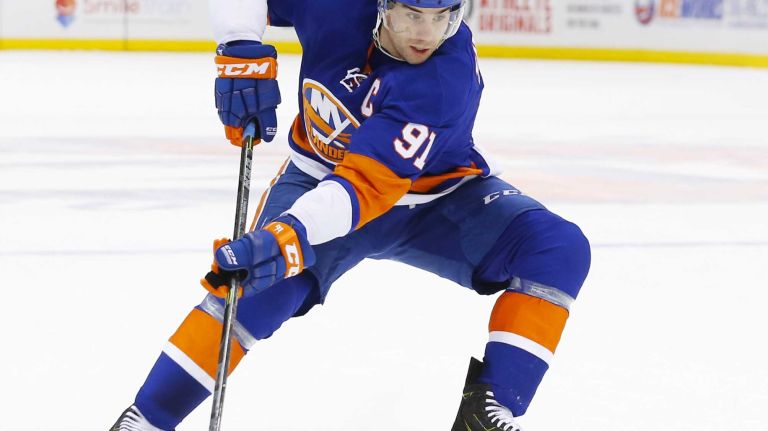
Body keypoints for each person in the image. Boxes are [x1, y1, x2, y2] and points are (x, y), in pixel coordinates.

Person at [110, 0, 591, 429]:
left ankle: (487, 415)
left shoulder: (446, 76)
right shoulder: (335, 5)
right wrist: (238, 45)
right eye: (412, 15)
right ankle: (146, 420)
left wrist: (289, 235)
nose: (427, 33)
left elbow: (363, 189)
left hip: (434, 201)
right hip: (317, 178)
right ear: (381, 6)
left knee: (555, 248)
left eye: (443, 17)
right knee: (254, 293)